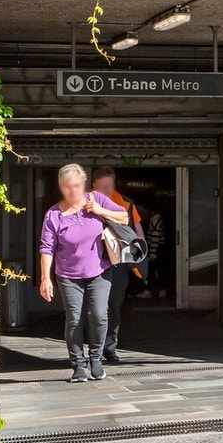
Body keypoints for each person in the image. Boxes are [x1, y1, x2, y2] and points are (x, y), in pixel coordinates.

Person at [38, 164, 130, 383]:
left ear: (84, 184)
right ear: (61, 187)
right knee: (75, 319)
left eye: (77, 186)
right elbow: (46, 248)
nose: (73, 191)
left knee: (98, 314)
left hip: (99, 271)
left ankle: (96, 358)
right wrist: (45, 278)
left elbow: (124, 217)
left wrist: (99, 210)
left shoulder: (96, 199)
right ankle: (78, 365)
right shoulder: (53, 215)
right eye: (68, 187)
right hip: (68, 276)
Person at [91, 166, 141, 364]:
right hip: (94, 260)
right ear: (94, 186)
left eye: (110, 186)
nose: (106, 191)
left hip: (119, 262)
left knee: (113, 304)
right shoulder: (85, 202)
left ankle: (110, 346)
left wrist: (139, 255)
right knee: (94, 306)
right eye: (102, 187)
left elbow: (136, 229)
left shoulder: (126, 203)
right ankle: (95, 347)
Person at [141, 204, 168, 301]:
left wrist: (152, 253)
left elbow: (155, 238)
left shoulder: (154, 221)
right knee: (160, 270)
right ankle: (162, 289)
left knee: (151, 271)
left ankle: (149, 290)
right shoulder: (158, 219)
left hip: (156, 249)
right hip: (159, 248)